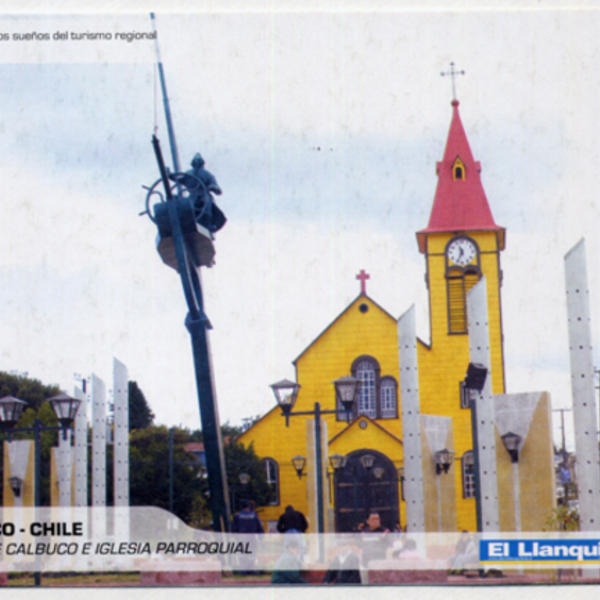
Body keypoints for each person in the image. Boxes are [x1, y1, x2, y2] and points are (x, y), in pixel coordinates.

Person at [170, 152, 226, 233]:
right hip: (192, 199)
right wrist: (169, 175)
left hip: (204, 197)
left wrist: (212, 187)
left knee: (206, 203)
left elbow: (218, 190)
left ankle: (210, 223)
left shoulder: (207, 174)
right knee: (184, 206)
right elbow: (178, 179)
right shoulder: (188, 174)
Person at [231, 500, 264, 574]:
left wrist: (235, 537)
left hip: (241, 537)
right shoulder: (254, 516)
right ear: (249, 507)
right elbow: (259, 528)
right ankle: (251, 569)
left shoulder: (237, 516)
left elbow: (234, 529)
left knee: (242, 554)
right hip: (252, 537)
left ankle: (243, 570)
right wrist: (261, 537)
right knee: (252, 553)